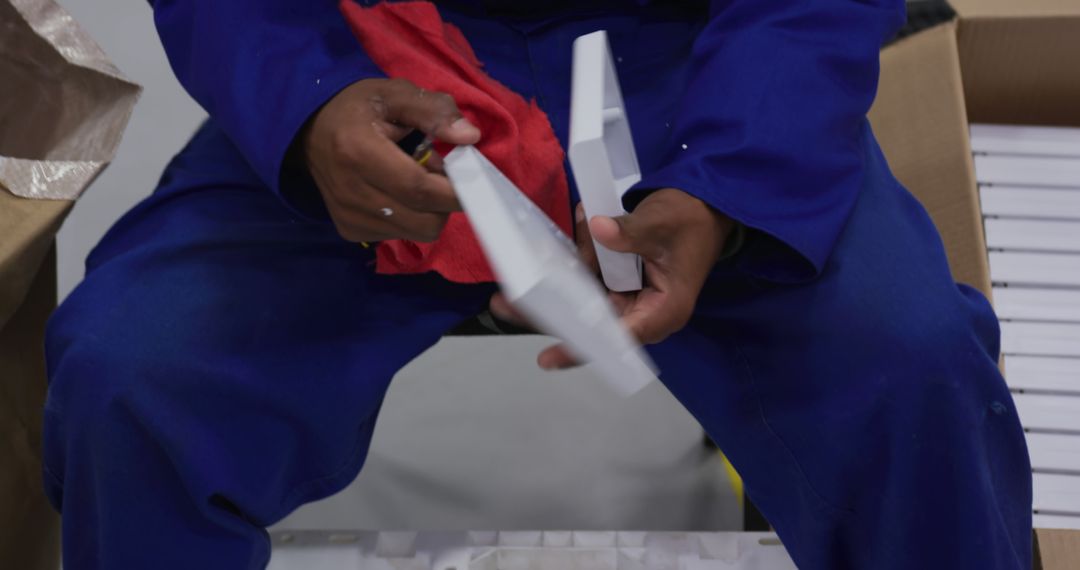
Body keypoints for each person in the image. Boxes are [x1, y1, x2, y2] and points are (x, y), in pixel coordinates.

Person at [41, 0, 1032, 568]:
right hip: (375, 65)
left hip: (702, 72)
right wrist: (308, 107)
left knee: (912, 370)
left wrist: (733, 186)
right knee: (133, 374)